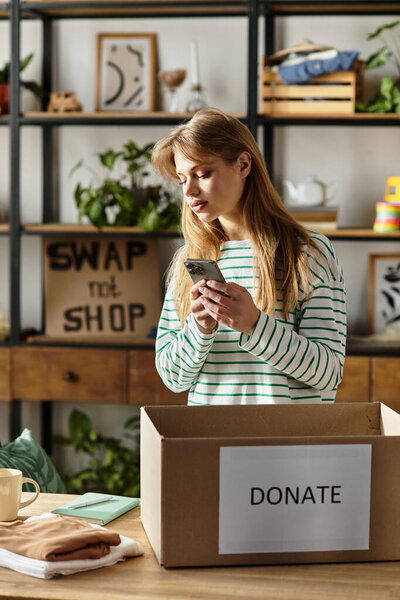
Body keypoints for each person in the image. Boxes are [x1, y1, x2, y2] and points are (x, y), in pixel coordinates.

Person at [152, 108, 346, 405]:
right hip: (208, 444)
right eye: (182, 179)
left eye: (202, 173)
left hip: (288, 446)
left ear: (243, 164)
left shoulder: (308, 252)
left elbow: (328, 374)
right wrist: (199, 329)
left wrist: (255, 324)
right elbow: (172, 378)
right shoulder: (188, 261)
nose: (189, 190)